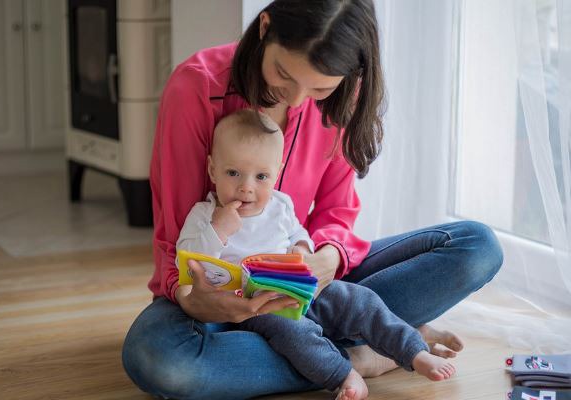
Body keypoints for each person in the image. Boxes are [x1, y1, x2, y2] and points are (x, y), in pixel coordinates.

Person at [122, 1, 504, 399]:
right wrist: (199, 301)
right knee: (159, 360)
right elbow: (176, 239)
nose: (300, 98)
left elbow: (336, 212)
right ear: (265, 27)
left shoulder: (343, 95)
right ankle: (364, 353)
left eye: (320, 87)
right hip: (215, 300)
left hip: (309, 287)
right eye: (284, 75)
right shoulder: (196, 87)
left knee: (476, 246)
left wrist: (325, 259)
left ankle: (336, 346)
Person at [176, 109, 456, 400]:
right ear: (212, 170)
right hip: (255, 306)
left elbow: (299, 233)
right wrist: (218, 231)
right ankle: (343, 373)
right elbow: (187, 259)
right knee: (293, 331)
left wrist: (302, 249)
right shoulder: (204, 215)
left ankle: (414, 352)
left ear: (277, 173)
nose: (247, 187)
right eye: (233, 173)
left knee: (359, 300)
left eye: (261, 176)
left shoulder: (280, 205)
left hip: (299, 288)